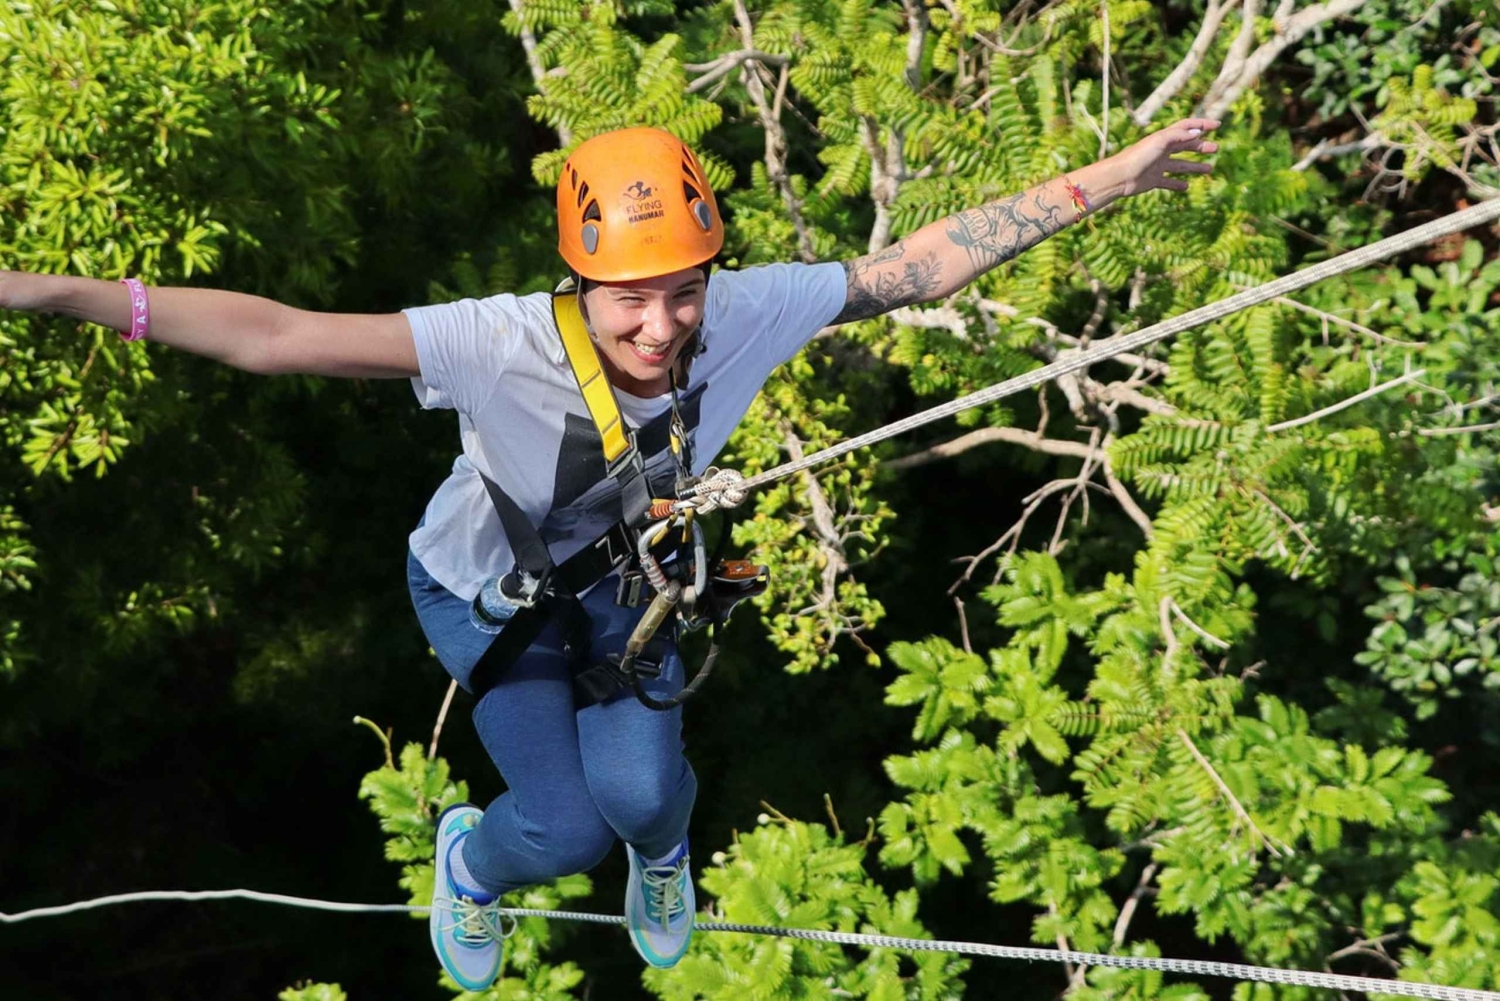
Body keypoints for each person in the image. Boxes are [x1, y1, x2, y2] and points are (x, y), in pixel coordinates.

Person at [0, 119, 1218, 988]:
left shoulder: (745, 311)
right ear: (576, 278)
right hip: (487, 595)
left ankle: (666, 854)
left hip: (628, 587)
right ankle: (472, 860)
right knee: (566, 826)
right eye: (628, 299)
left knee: (645, 804)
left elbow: (922, 263)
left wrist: (1116, 176)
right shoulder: (491, 343)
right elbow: (278, 336)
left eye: (681, 292)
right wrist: (59, 293)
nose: (660, 324)